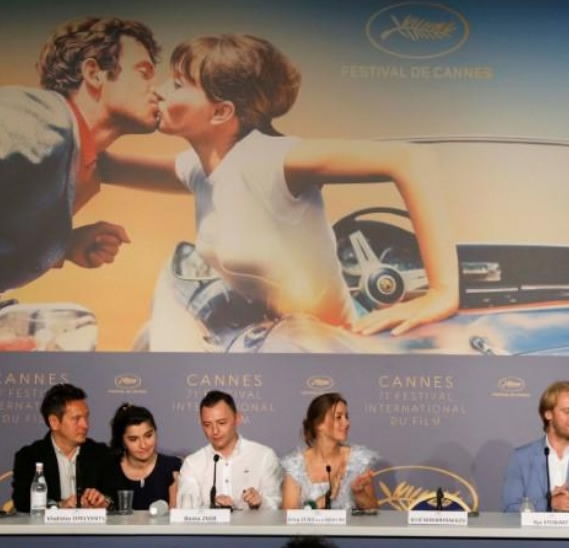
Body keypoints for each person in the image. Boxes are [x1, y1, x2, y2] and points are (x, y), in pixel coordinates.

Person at [99, 33, 459, 346]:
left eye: (177, 85)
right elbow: (105, 167)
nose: (159, 91)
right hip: (269, 343)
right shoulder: (198, 168)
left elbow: (412, 159)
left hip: (335, 345)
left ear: (221, 112)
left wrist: (442, 292)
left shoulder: (271, 158)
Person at [0, 17, 159, 295]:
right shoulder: (41, 120)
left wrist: (64, 245)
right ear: (94, 73)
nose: (156, 90)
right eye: (143, 73)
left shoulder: (78, 155)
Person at [501, 380, 569, 515]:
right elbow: (510, 509)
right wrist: (549, 503)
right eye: (568, 411)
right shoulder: (521, 458)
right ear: (548, 414)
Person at [11, 383, 116, 512]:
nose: (85, 425)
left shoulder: (100, 453)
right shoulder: (29, 456)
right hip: (46, 526)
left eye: (86, 417)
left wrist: (104, 501)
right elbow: (22, 501)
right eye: (76, 419)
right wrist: (59, 506)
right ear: (54, 422)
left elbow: (116, 495)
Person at [176, 390, 282, 510]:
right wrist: (213, 510)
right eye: (207, 425)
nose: (215, 431)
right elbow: (186, 510)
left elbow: (276, 505)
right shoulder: (192, 464)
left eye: (221, 423)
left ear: (237, 419)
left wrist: (260, 501)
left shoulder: (264, 457)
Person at [281, 393, 379, 510]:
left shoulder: (358, 461)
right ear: (319, 424)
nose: (347, 423)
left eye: (346, 417)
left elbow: (373, 510)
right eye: (338, 417)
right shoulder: (295, 466)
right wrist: (326, 498)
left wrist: (359, 493)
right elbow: (288, 516)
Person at [106, 403, 182, 510]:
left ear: (156, 432)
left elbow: (175, 516)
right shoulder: (109, 470)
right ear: (122, 441)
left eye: (148, 436)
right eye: (133, 439)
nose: (143, 445)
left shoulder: (171, 468)